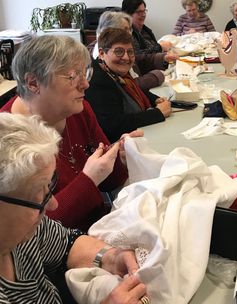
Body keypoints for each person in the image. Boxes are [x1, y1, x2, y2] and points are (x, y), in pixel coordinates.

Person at [0, 112, 148, 304]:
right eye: (38, 192)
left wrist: (111, 258)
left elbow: (66, 245)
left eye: (49, 186)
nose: (53, 203)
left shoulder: (23, 231)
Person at [1, 35, 142, 231]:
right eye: (73, 76)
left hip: (98, 228)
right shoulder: (8, 140)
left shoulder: (79, 110)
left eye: (85, 73)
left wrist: (119, 156)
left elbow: (110, 182)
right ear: (33, 83)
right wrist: (90, 178)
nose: (85, 84)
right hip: (58, 255)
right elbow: (35, 231)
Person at [85, 28, 172, 143]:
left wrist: (156, 100)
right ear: (101, 53)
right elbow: (113, 126)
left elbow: (136, 90)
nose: (126, 57)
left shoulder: (116, 73)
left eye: (130, 52)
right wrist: (157, 114)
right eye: (119, 51)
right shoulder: (97, 81)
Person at [92, 11, 167, 92]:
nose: (130, 34)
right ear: (109, 31)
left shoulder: (121, 46)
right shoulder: (101, 58)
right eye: (124, 29)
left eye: (129, 29)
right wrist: (155, 77)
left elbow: (138, 60)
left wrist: (163, 58)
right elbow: (123, 86)